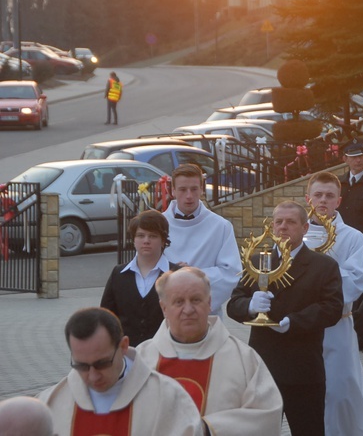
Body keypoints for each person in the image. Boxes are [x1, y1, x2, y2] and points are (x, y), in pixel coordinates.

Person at [227, 201, 343, 436]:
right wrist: (250, 305)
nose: (282, 227)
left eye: (290, 222)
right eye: (278, 222)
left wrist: (294, 321)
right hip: (263, 368)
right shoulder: (258, 261)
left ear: (305, 228)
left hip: (303, 370)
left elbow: (332, 308)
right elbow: (233, 304)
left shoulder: (323, 266)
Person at [138, 267, 283, 433]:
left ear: (209, 303)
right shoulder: (142, 359)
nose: (188, 310)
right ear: (164, 308)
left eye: (196, 300)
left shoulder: (243, 358)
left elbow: (267, 416)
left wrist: (207, 429)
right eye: (179, 302)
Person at [38, 307, 203, 435]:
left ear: (123, 346)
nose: (93, 376)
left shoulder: (167, 397)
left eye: (102, 363)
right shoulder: (50, 402)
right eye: (82, 366)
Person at [303, 172, 363, 435]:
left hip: (337, 326)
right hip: (302, 326)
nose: (323, 200)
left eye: (329, 195)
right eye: (318, 195)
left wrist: (315, 284)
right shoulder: (293, 233)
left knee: (341, 390)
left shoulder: (353, 237)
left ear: (339, 200)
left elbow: (357, 279)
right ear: (308, 198)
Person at [164, 163, 241, 315]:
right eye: (182, 189)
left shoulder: (221, 226)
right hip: (165, 315)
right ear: (172, 190)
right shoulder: (158, 225)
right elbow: (147, 268)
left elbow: (232, 274)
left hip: (206, 317)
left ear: (202, 189)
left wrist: (194, 275)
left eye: (194, 189)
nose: (189, 196)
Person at [100, 210, 179, 346]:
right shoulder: (118, 274)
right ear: (134, 239)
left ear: (163, 240)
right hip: (127, 355)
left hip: (167, 354)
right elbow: (106, 317)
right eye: (141, 236)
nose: (146, 241)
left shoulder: (177, 275)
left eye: (153, 236)